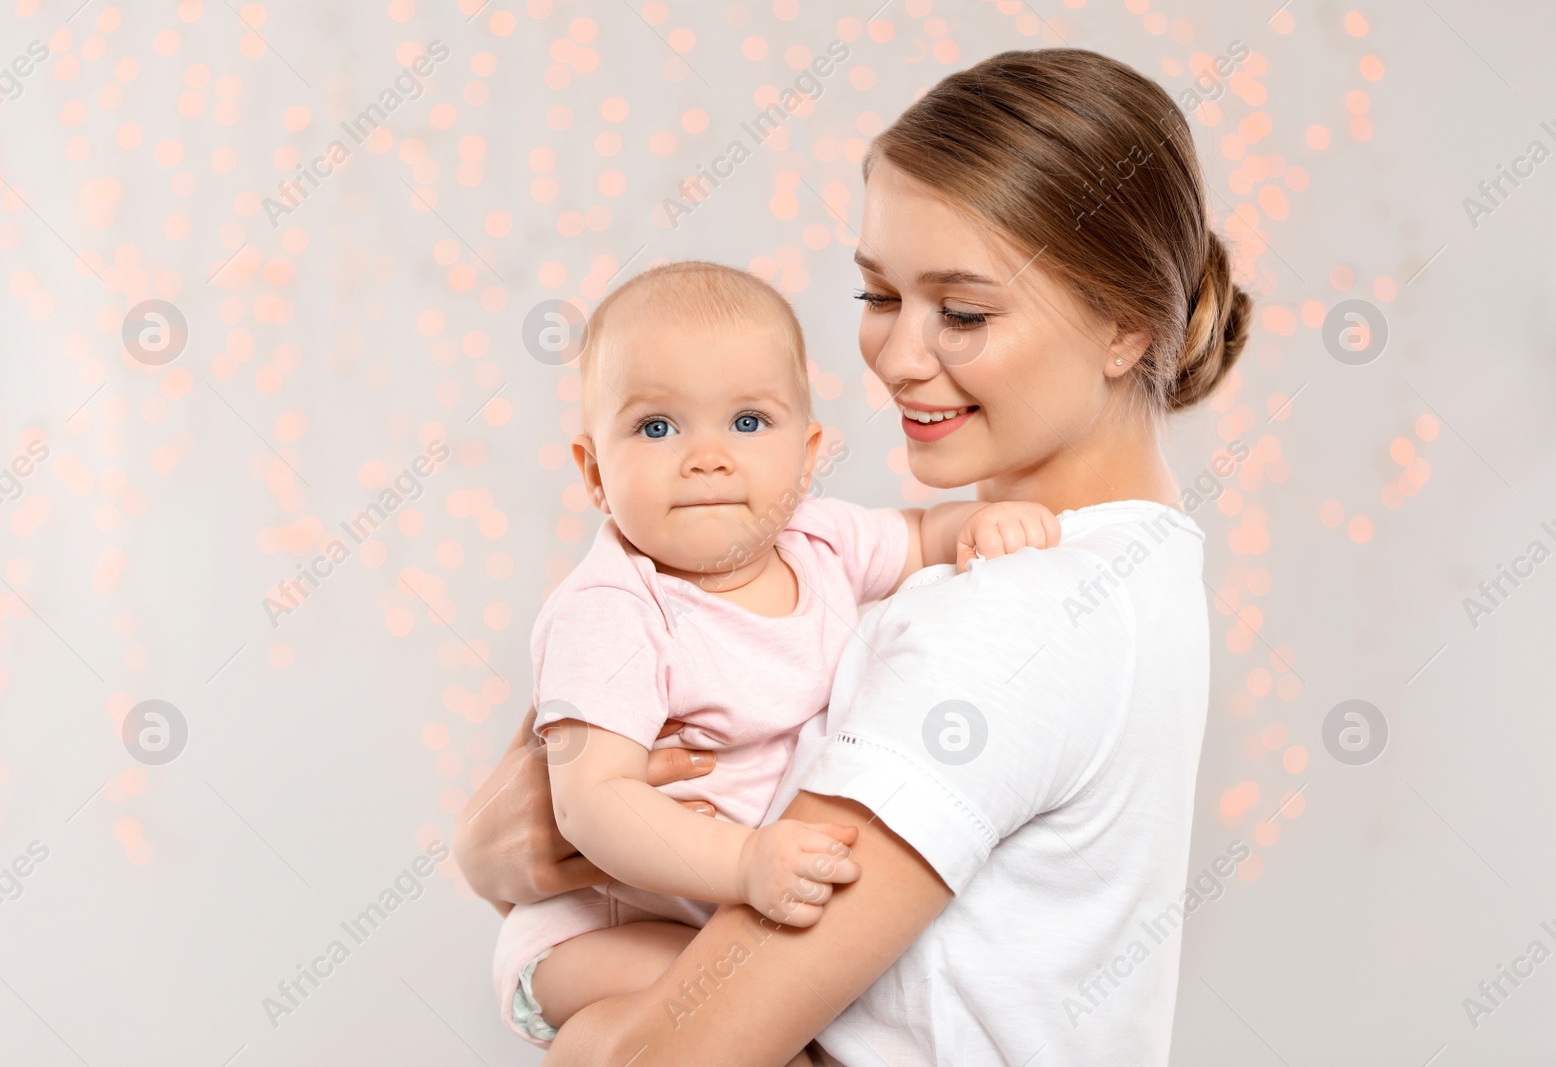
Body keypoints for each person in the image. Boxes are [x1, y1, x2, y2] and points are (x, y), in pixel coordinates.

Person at [456, 45, 1251, 1065]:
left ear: (1121, 327)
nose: (898, 355)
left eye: (962, 312)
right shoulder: (1123, 574)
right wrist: (519, 845)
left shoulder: (1018, 615)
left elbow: (668, 1055)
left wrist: (511, 878)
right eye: (880, 296)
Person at [491, 258, 1059, 1057]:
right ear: (592, 472)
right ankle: (594, 1042)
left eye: (749, 422)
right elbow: (593, 801)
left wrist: (981, 526)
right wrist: (745, 859)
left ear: (808, 451)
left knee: (779, 1014)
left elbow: (919, 537)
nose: (708, 457)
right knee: (712, 1010)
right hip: (608, 932)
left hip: (728, 908)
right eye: (657, 427)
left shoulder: (820, 540)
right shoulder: (613, 608)